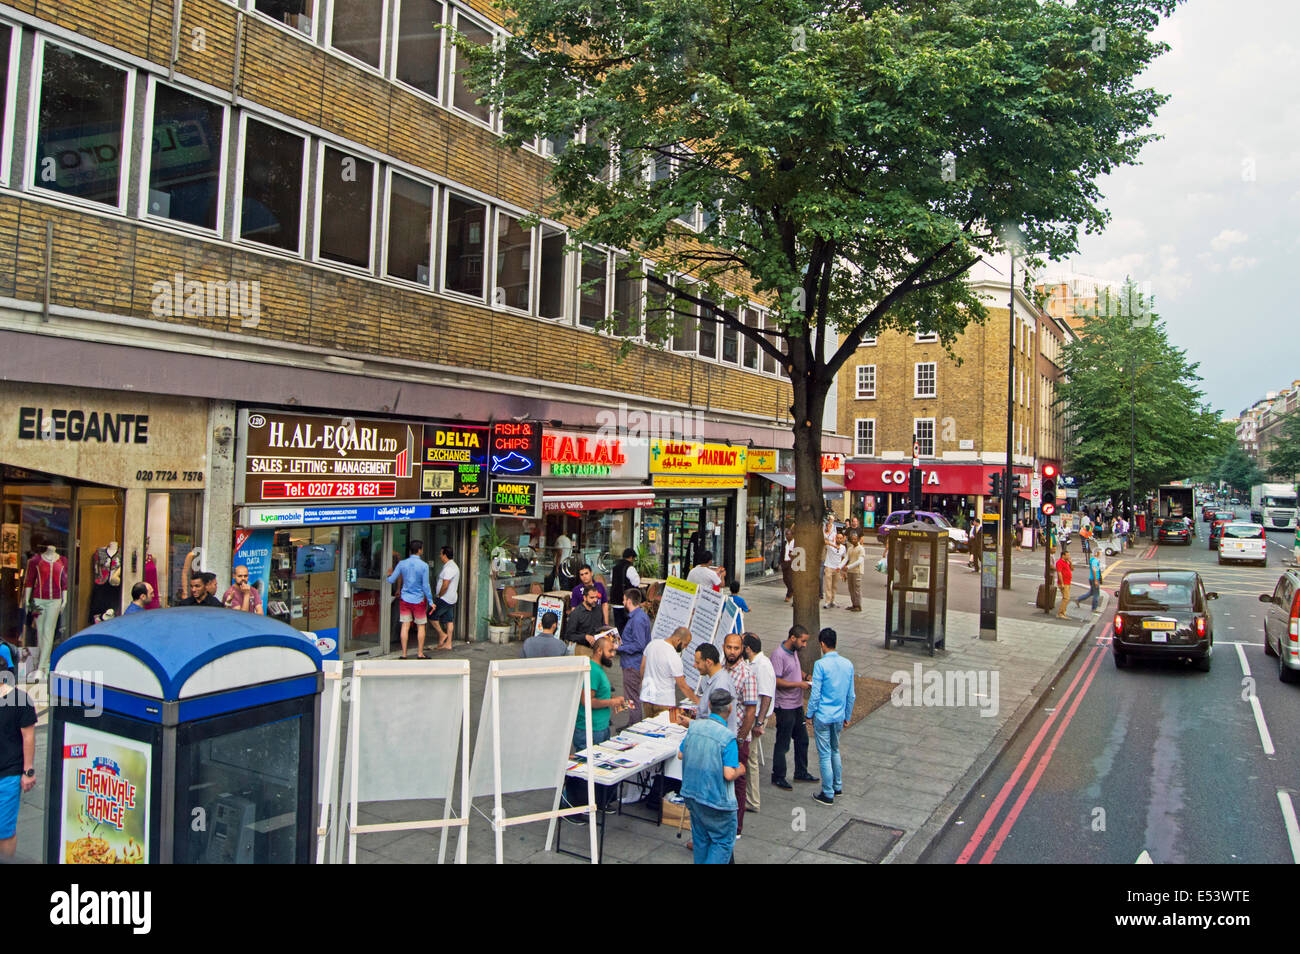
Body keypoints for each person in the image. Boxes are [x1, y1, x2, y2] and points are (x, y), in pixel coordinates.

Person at [563, 635, 626, 822]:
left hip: (600, 727)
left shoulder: (598, 670)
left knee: (597, 767)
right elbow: (587, 701)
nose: (613, 655)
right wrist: (611, 701)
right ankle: (569, 805)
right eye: (610, 651)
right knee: (583, 769)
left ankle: (595, 801)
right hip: (589, 728)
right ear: (599, 651)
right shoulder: (593, 672)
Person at [678, 687, 744, 864]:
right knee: (722, 842)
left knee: (701, 841)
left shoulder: (694, 727)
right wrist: (741, 769)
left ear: (709, 705)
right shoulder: (727, 737)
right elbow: (729, 774)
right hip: (717, 801)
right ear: (730, 709)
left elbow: (681, 754)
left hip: (692, 795)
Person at [807, 628, 855, 806]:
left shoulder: (820, 665)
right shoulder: (848, 664)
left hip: (823, 715)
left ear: (822, 644)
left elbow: (816, 694)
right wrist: (847, 715)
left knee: (824, 754)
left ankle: (827, 793)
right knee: (835, 750)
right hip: (839, 715)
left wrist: (809, 714)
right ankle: (838, 785)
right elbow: (851, 695)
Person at [0, 644, 37, 860]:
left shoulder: (20, 700)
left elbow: (29, 736)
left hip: (8, 776)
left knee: (4, 832)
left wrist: (28, 771)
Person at [770, 625, 817, 789]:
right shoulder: (778, 655)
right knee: (783, 743)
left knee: (802, 739)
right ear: (793, 638)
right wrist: (798, 684)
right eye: (803, 641)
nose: (804, 645)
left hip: (796, 704)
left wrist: (805, 676)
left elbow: (794, 670)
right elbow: (776, 681)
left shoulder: (793, 652)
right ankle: (778, 775)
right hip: (785, 706)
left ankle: (801, 772)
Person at [721, 632, 758, 836]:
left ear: (742, 649)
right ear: (723, 647)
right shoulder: (723, 668)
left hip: (737, 738)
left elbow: (751, 711)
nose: (732, 652)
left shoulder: (747, 674)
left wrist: (741, 739)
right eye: (729, 647)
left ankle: (736, 827)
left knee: (737, 784)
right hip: (722, 735)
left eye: (736, 648)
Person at [741, 633, 774, 815]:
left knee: (751, 757)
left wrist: (759, 722)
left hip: (756, 717)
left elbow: (766, 695)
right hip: (754, 716)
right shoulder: (755, 663)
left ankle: (752, 800)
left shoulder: (762, 666)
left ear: (748, 649)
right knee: (750, 756)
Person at [387, 541, 435, 658]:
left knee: (405, 625)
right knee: (421, 626)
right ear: (419, 550)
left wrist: (389, 573)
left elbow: (391, 580)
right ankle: (420, 653)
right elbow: (426, 586)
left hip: (405, 600)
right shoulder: (424, 566)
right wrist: (431, 601)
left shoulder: (402, 564)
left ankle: (404, 654)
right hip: (419, 600)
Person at [639, 626, 699, 718]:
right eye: (685, 644)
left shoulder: (652, 644)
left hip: (647, 698)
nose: (685, 647)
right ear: (678, 640)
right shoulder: (674, 656)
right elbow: (682, 686)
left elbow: (642, 668)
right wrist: (697, 701)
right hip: (664, 702)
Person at [615, 588, 652, 721]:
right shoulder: (640, 616)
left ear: (629, 601)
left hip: (633, 664)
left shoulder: (637, 620)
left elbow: (639, 644)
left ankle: (634, 724)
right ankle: (632, 722)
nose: (622, 602)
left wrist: (620, 647)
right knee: (632, 696)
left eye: (624, 600)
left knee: (632, 698)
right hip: (634, 663)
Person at [694, 644, 736, 732]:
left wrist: (691, 724)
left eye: (698, 663)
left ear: (708, 662)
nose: (695, 666)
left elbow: (715, 723)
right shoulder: (718, 678)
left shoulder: (720, 684)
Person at [563, 584, 607, 658]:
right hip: (582, 648)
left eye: (596, 597)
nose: (595, 600)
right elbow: (569, 635)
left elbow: (602, 626)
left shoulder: (598, 609)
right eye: (592, 598)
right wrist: (584, 637)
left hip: (598, 647)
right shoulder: (576, 613)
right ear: (584, 598)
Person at [431, 546, 460, 650]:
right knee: (449, 620)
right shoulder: (452, 566)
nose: (440, 556)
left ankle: (442, 635)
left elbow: (445, 585)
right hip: (451, 598)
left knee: (431, 615)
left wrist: (439, 595)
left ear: (445, 555)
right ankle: (448, 644)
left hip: (445, 598)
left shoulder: (449, 568)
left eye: (441, 554)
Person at [609, 548, 641, 631]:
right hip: (626, 602)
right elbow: (636, 583)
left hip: (615, 601)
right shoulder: (630, 568)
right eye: (634, 558)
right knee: (627, 626)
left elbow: (612, 579)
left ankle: (619, 643)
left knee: (618, 626)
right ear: (631, 557)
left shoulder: (614, 567)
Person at [1075, 548, 1102, 613]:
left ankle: (1078, 599)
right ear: (1097, 553)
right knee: (1096, 594)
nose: (1101, 554)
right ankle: (1094, 608)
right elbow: (1094, 570)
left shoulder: (1093, 560)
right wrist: (1096, 580)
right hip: (1094, 579)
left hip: (1092, 578)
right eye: (1100, 552)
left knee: (1091, 593)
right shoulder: (1094, 561)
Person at [823, 531, 846, 608]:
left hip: (837, 568)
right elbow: (824, 541)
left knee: (834, 586)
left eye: (840, 538)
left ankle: (833, 600)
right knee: (828, 585)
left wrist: (842, 569)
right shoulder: (830, 545)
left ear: (842, 539)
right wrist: (833, 545)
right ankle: (827, 601)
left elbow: (843, 558)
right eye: (838, 538)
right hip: (829, 566)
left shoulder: (843, 548)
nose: (839, 539)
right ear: (835, 538)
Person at [844, 531, 866, 612]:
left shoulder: (861, 549)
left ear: (858, 539)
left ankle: (858, 606)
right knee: (851, 588)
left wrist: (848, 566)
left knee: (857, 589)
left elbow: (859, 561)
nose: (853, 540)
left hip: (857, 571)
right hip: (850, 571)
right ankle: (854, 604)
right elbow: (846, 558)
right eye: (852, 539)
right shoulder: (850, 548)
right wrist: (840, 566)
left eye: (855, 539)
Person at [1055, 547, 1073, 619]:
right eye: (1067, 555)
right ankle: (1060, 613)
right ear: (1063, 555)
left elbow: (1072, 569)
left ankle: (1063, 612)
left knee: (1065, 598)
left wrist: (1070, 562)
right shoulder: (1059, 562)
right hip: (1064, 583)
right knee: (1066, 598)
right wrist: (1062, 583)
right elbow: (1059, 573)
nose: (1069, 556)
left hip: (1068, 582)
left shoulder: (1066, 562)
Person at [781, 528, 796, 603]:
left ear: (792, 535)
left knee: (790, 579)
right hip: (785, 562)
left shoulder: (795, 543)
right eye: (786, 534)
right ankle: (792, 591)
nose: (787, 536)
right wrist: (780, 562)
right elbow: (782, 552)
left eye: (788, 534)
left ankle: (789, 594)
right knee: (785, 579)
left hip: (792, 563)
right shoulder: (784, 543)